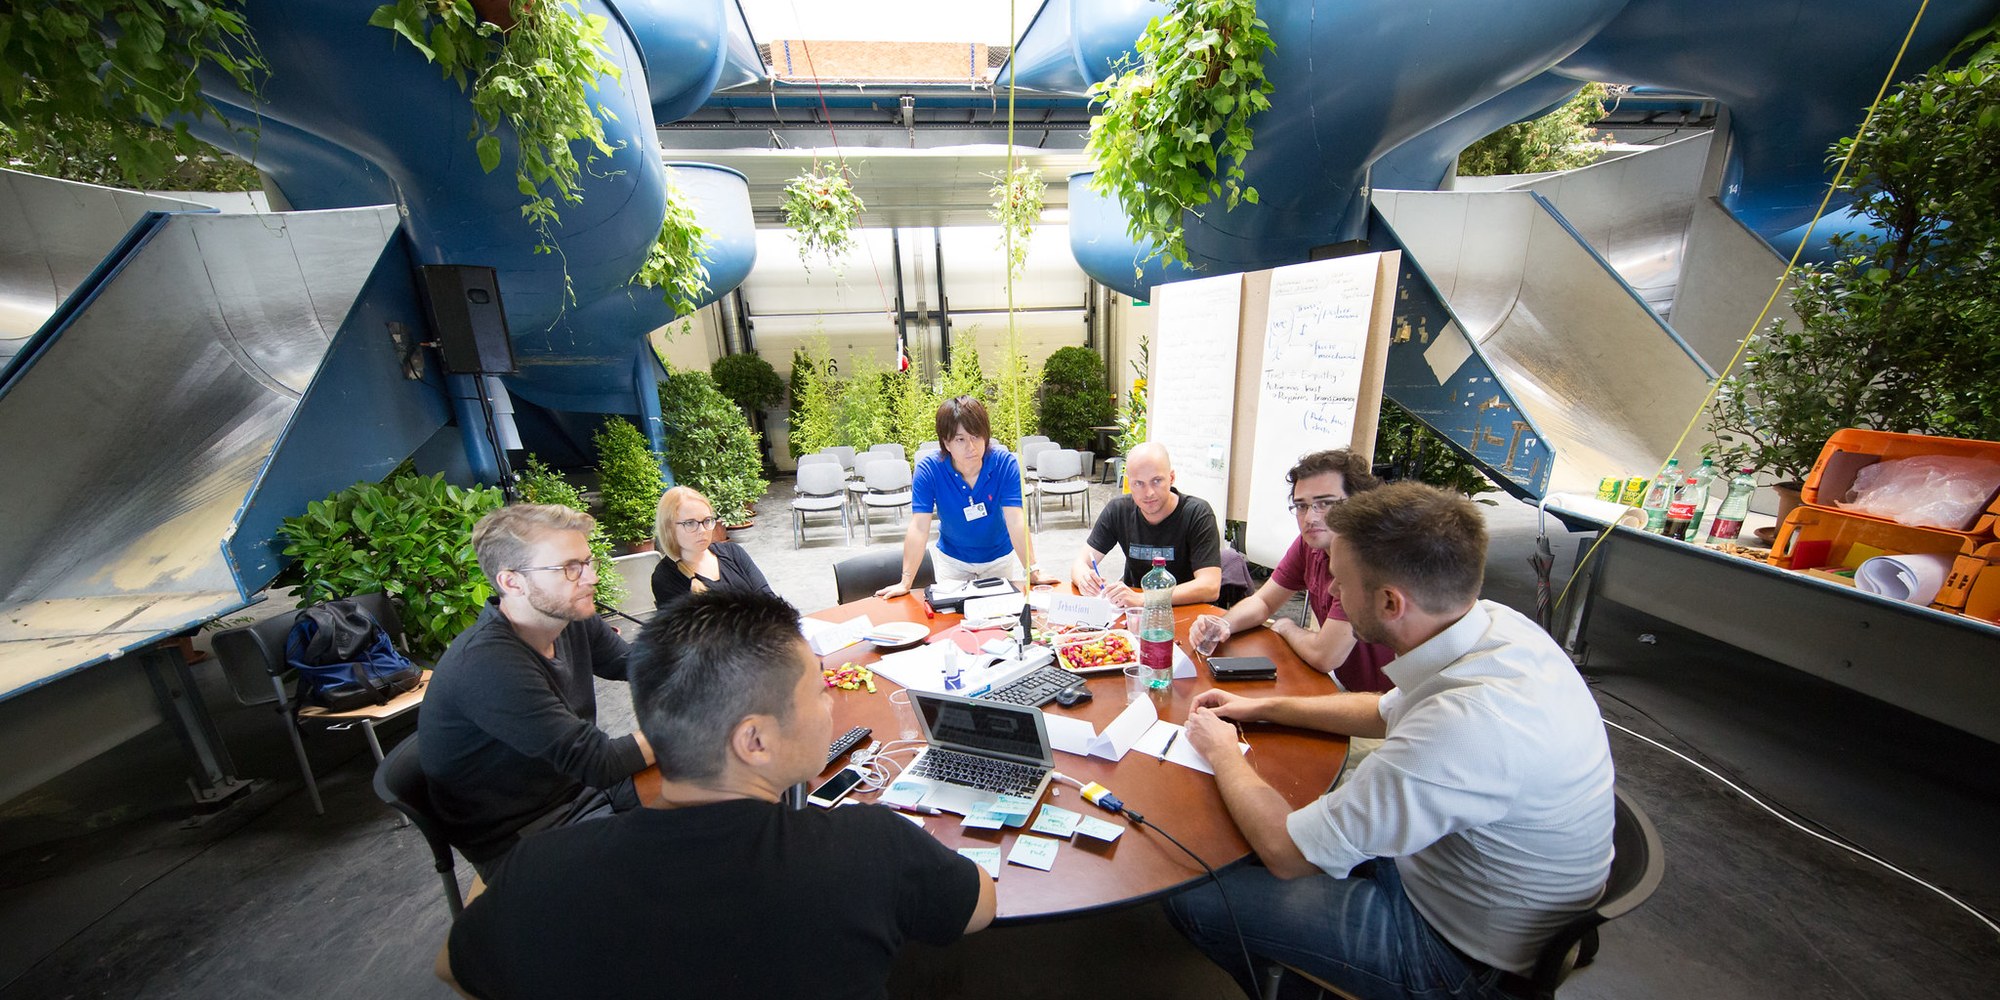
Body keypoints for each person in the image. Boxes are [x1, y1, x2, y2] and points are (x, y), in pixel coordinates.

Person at [1168, 482, 1615, 1000]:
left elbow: (1289, 854)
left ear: (1388, 601)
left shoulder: (1461, 727)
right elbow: (1383, 709)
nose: (1331, 594)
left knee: (1194, 897)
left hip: (1459, 956)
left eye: (1339, 582)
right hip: (1469, 884)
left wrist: (1221, 748)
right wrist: (1260, 707)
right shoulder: (1497, 628)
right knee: (1278, 811)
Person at [438, 588, 996, 999]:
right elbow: (979, 905)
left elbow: (453, 967)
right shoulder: (871, 846)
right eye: (817, 691)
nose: (830, 705)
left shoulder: (541, 869)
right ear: (754, 740)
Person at [420, 504, 655, 877]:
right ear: (512, 582)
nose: (591, 577)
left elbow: (637, 664)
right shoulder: (486, 664)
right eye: (570, 568)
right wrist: (694, 721)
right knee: (694, 862)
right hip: (529, 837)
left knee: (733, 790)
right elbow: (598, 762)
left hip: (581, 795)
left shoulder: (568, 617)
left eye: (588, 561)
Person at [1190, 448, 1395, 691]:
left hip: (1389, 705)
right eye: (1301, 506)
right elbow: (1264, 602)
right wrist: (1223, 624)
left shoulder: (1364, 562)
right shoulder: (1309, 545)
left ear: (1358, 502)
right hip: (1347, 686)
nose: (1310, 518)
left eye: (1325, 503)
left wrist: (1287, 626)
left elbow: (1325, 655)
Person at [876, 396, 1050, 598]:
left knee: (998, 619)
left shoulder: (1005, 464)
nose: (971, 447)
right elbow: (919, 527)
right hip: (953, 563)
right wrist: (905, 582)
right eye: (960, 439)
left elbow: (1015, 520)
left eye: (976, 436)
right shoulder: (929, 469)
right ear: (946, 443)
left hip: (998, 559)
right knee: (951, 621)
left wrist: (1032, 570)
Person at [1070, 442, 1222, 606]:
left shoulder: (1197, 513)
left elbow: (1210, 586)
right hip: (1133, 615)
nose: (1148, 493)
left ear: (1171, 478)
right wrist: (1085, 580)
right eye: (1138, 483)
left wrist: (1145, 599)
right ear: (1129, 483)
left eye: (1156, 481)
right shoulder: (1118, 510)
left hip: (1183, 610)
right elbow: (1080, 564)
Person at [650, 485, 775, 609]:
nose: (702, 530)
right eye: (690, 523)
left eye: (707, 520)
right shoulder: (666, 577)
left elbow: (769, 600)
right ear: (669, 528)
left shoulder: (733, 552)